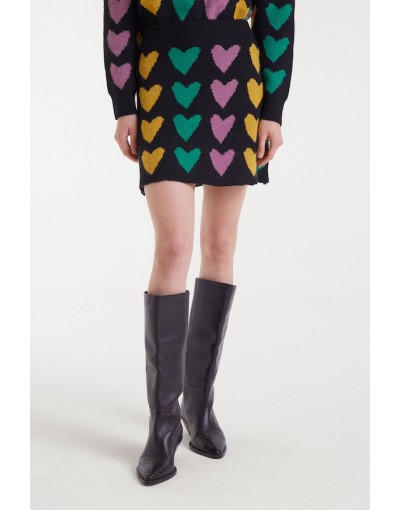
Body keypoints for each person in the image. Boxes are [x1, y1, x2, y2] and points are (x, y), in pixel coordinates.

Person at [103, 0, 295, 486]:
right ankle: (164, 423)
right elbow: (119, 18)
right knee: (173, 246)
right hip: (161, 87)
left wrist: (273, 110)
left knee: (220, 243)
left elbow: (276, 16)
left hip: (238, 90)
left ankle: (199, 403)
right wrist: (124, 105)